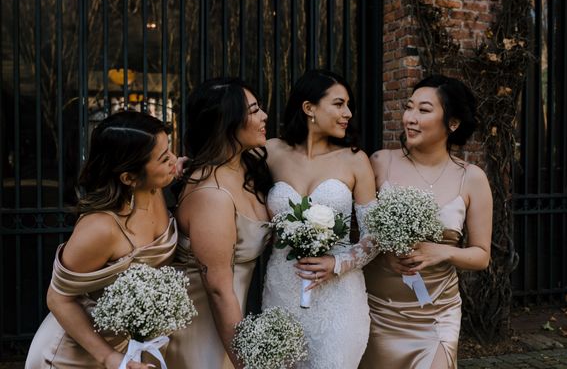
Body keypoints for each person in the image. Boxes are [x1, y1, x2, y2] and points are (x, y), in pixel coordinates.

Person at [25, 111, 178, 369]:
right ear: (129, 178)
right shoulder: (100, 228)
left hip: (125, 346)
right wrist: (109, 357)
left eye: (170, 151)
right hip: (73, 353)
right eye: (164, 158)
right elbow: (57, 298)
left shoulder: (154, 189)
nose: (173, 160)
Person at [360, 74, 493, 369]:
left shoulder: (471, 178)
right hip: (379, 311)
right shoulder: (380, 162)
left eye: (424, 110)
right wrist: (382, 253)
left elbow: (481, 256)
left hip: (437, 314)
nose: (410, 117)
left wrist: (441, 251)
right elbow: (358, 233)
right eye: (409, 108)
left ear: (453, 123)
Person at [261, 69, 378, 369]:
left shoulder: (355, 160)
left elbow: (374, 235)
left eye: (348, 105)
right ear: (309, 108)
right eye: (339, 104)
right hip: (282, 291)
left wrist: (337, 263)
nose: (348, 113)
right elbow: (226, 168)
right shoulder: (271, 152)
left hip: (338, 296)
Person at [164, 78, 272, 369]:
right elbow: (219, 290)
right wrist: (246, 361)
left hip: (232, 322)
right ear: (227, 122)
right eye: (254, 110)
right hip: (203, 330)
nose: (264, 116)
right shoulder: (212, 195)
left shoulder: (248, 167)